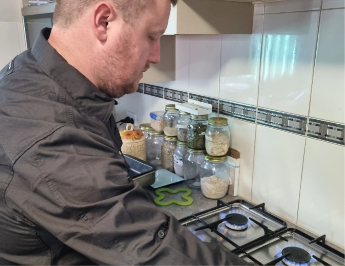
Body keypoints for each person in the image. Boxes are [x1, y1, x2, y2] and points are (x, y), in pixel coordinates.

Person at [0, 0, 251, 265]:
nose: (156, 56)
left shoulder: (33, 74)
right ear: (104, 21)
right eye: (152, 36)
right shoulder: (51, 133)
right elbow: (154, 251)